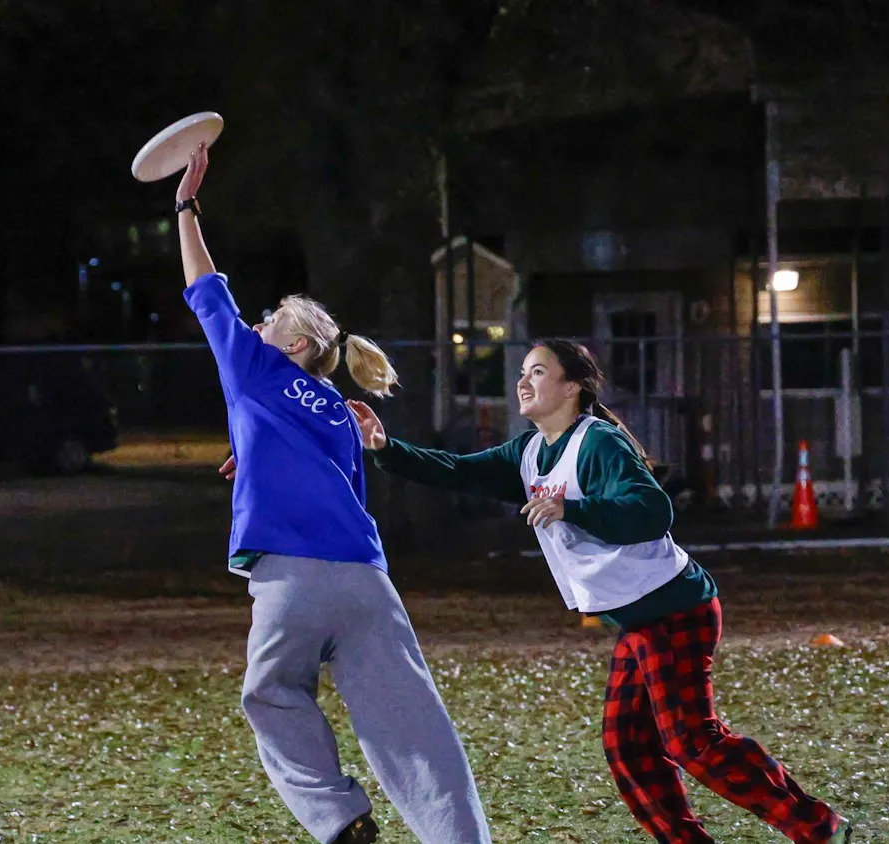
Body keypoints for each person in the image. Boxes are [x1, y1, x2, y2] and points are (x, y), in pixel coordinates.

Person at [348, 338, 852, 844]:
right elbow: (459, 470)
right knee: (627, 744)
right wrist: (385, 447)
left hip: (674, 610)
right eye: (523, 371)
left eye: (539, 372)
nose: (523, 381)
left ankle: (817, 827)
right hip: (639, 620)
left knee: (691, 740)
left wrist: (573, 508)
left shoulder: (598, 444)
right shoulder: (529, 451)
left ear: (571, 386)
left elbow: (653, 512)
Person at [174, 143, 491, 844]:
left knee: (273, 694)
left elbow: (205, 288)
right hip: (367, 578)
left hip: (293, 575)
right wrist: (252, 461)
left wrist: (185, 207)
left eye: (266, 324)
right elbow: (320, 472)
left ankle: (340, 819)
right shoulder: (337, 408)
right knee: (412, 721)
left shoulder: (254, 366)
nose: (252, 328)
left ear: (287, 346)